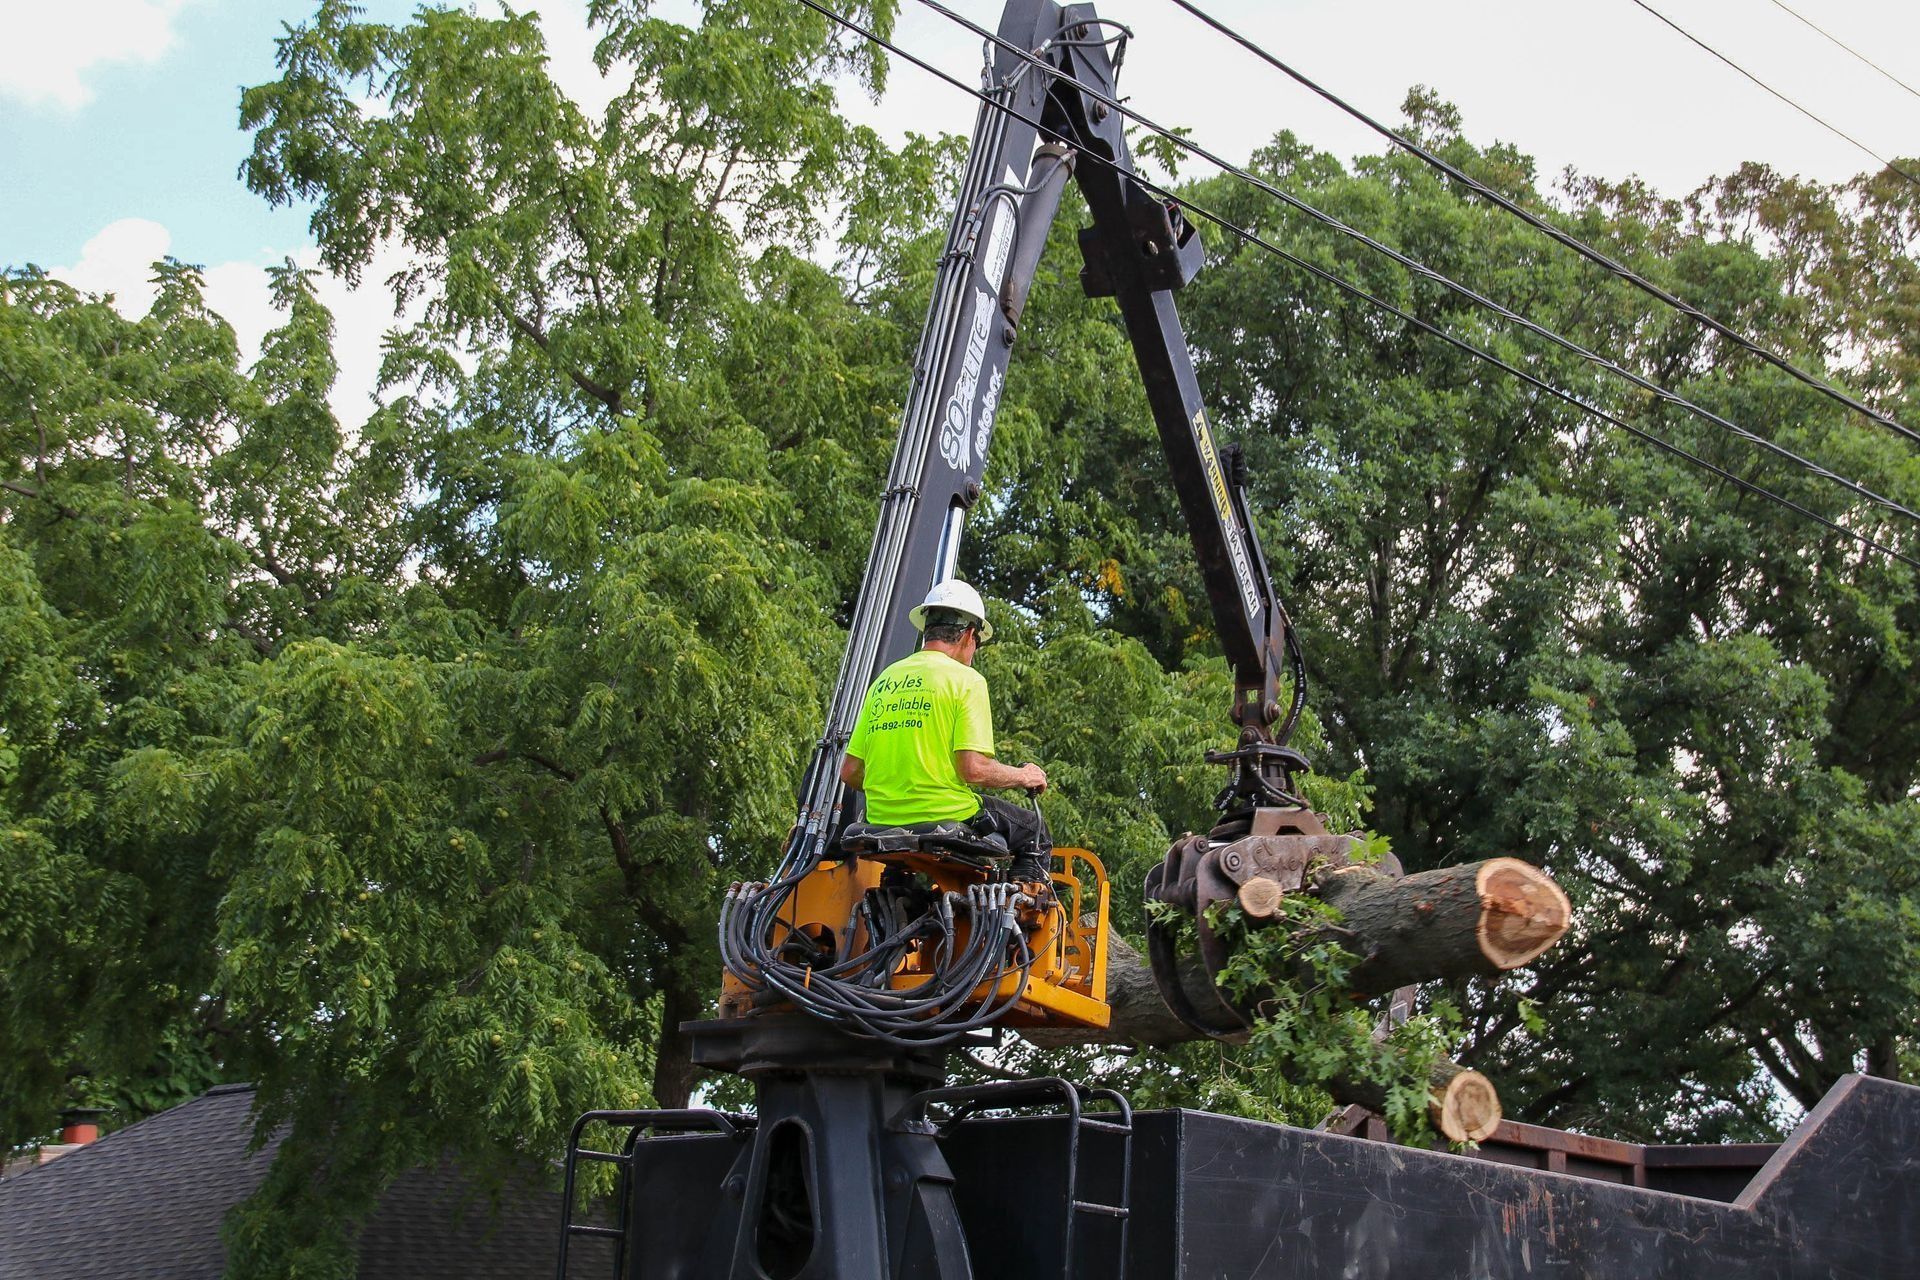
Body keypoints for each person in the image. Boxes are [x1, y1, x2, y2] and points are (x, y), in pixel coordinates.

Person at [839, 579, 1052, 881]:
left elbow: (849, 772)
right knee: (1034, 831)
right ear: (968, 635)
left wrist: (898, 792)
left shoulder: (884, 681)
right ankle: (1018, 914)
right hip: (946, 812)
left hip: (880, 819)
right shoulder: (966, 680)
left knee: (900, 864)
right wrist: (1024, 775)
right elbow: (973, 770)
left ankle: (897, 899)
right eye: (977, 642)